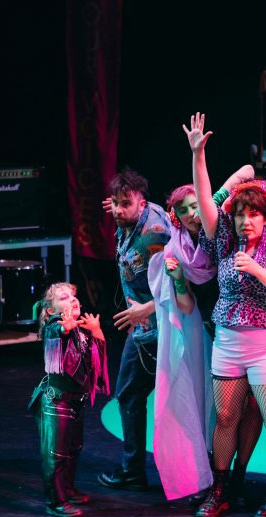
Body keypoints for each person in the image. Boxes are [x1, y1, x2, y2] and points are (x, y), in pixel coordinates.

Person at [184, 112, 266, 517]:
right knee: (225, 420)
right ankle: (221, 489)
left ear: (265, 218)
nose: (245, 221)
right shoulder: (223, 240)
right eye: (240, 215)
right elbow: (204, 201)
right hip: (228, 342)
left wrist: (257, 270)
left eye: (253, 215)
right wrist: (198, 155)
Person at [147, 180, 264, 507]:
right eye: (182, 209)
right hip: (216, 333)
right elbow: (185, 306)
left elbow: (248, 170)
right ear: (175, 217)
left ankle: (239, 475)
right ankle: (219, 479)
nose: (190, 213)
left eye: (194, 205)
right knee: (223, 412)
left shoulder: (224, 232)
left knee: (253, 408)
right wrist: (180, 280)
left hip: (254, 327)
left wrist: (211, 198)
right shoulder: (176, 250)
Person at [97, 168, 171, 491]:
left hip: (159, 329)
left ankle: (136, 469)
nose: (116, 210)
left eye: (124, 204)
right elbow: (123, 209)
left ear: (142, 204)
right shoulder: (129, 218)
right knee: (130, 393)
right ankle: (134, 468)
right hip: (140, 328)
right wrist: (119, 205)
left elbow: (176, 282)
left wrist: (148, 308)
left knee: (136, 394)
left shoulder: (154, 233)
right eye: (114, 203)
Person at [29, 282, 110, 517]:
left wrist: (96, 331)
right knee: (56, 454)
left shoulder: (81, 330)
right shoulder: (54, 326)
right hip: (57, 402)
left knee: (73, 449)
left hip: (76, 401)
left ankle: (68, 489)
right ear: (51, 311)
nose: (72, 300)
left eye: (73, 296)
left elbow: (97, 361)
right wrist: (63, 328)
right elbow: (54, 331)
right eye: (64, 298)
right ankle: (56, 501)